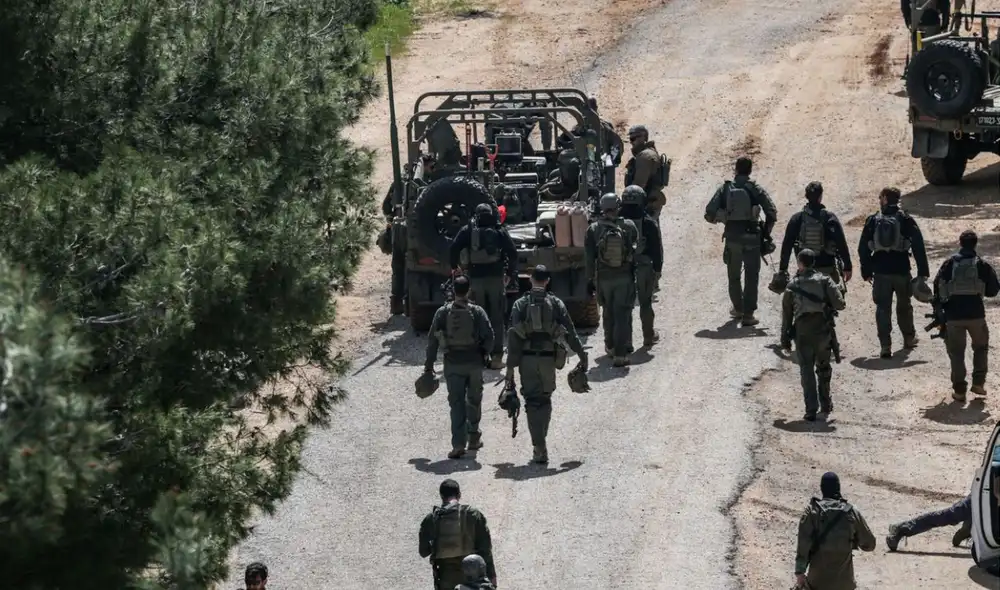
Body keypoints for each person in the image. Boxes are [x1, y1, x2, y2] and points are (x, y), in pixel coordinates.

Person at [505, 265, 587, 464]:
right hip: (548, 359)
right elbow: (570, 331)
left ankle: (539, 447)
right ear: (547, 280)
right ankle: (541, 439)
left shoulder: (520, 304)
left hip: (527, 359)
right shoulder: (556, 303)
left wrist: (509, 370)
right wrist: (582, 356)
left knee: (532, 402)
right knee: (546, 399)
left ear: (531, 279)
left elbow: (512, 336)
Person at [423, 275, 495, 459]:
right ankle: (473, 438)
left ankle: (457, 444)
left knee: (456, 404)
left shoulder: (442, 312)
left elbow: (432, 340)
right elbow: (490, 336)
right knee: (474, 400)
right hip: (474, 363)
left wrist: (429, 366)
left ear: (453, 291)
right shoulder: (477, 311)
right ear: (469, 290)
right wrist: (484, 355)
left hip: (452, 363)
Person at [704, 156, 778, 326]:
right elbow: (772, 212)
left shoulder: (725, 188)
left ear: (735, 170)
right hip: (752, 238)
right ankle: (748, 315)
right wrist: (765, 233)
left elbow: (709, 213)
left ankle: (738, 308)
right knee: (752, 276)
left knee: (734, 275)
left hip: (732, 238)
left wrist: (724, 219)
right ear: (750, 171)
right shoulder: (754, 188)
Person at [857, 187, 930, 359]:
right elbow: (918, 246)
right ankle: (909, 339)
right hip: (902, 270)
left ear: (884, 199)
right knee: (904, 307)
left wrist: (866, 271)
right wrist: (922, 272)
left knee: (883, 308)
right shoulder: (905, 219)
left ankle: (885, 346)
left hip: (881, 272)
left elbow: (863, 248)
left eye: (880, 197)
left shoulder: (873, 220)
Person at [932, 229, 1000, 401]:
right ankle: (978, 384)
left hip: (953, 317)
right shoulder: (981, 265)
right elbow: (993, 290)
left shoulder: (949, 263)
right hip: (976, 315)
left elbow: (937, 287)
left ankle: (960, 391)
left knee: (956, 353)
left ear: (960, 243)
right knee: (981, 348)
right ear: (975, 244)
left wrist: (940, 309)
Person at [781, 249, 846, 421]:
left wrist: (785, 340)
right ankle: (825, 404)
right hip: (823, 330)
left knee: (806, 370)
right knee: (823, 367)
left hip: (802, 332)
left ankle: (810, 409)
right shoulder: (825, 281)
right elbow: (840, 305)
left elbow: (786, 316)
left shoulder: (792, 285)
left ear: (800, 263)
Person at [450, 204, 517, 369]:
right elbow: (512, 251)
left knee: (478, 317)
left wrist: (455, 268)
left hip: (476, 280)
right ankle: (496, 358)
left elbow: (454, 248)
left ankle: (480, 355)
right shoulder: (499, 230)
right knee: (497, 318)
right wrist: (509, 273)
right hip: (495, 279)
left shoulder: (468, 230)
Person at [794, 472, 876, 590]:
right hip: (845, 583)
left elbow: (803, 545)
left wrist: (800, 573)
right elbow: (870, 544)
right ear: (838, 488)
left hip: (817, 582)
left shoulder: (812, 512)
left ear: (822, 489)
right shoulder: (851, 512)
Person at [585, 193, 639, 366]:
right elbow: (636, 249)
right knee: (622, 313)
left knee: (608, 312)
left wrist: (589, 280)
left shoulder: (593, 229)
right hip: (624, 277)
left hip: (604, 279)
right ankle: (621, 354)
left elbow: (588, 258)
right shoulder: (629, 226)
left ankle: (610, 346)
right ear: (618, 206)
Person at [419, 479, 497, 590]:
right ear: (459, 495)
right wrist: (492, 576)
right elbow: (486, 549)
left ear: (441, 496)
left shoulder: (431, 518)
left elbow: (423, 552)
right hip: (473, 579)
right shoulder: (473, 514)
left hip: (445, 578)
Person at [778, 181, 853, 292]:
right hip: (827, 270)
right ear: (820, 197)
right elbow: (841, 242)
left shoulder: (797, 219)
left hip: (805, 271)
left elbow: (787, 245)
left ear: (806, 196)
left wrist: (783, 269)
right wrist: (847, 266)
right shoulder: (829, 218)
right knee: (834, 302)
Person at [620, 184, 663, 347]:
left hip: (623, 267)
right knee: (645, 303)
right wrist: (658, 269)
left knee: (626, 306)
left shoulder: (617, 221)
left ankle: (626, 342)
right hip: (644, 266)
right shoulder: (648, 222)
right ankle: (648, 336)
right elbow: (656, 249)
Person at [623, 125, 667, 222]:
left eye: (634, 138)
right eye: (630, 139)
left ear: (644, 138)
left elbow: (638, 186)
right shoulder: (647, 153)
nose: (631, 142)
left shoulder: (645, 156)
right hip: (649, 201)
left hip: (645, 203)